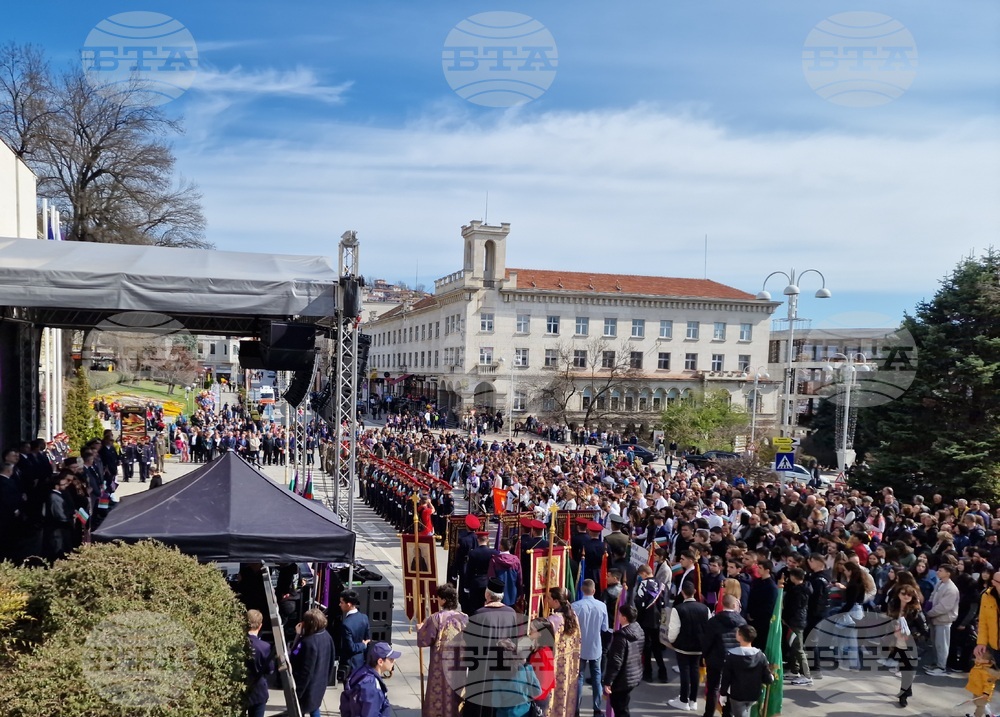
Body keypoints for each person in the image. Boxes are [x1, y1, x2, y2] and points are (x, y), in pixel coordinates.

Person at [417, 584, 468, 717]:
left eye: (438, 597)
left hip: (440, 663)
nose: (437, 600)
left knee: (439, 690)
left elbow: (425, 640)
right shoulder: (464, 618)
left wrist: (420, 629)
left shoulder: (436, 618)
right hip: (458, 662)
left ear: (444, 600)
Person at [666, 580, 711, 712]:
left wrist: (672, 641)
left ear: (682, 593)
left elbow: (674, 630)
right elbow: (708, 628)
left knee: (685, 671)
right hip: (699, 646)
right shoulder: (705, 608)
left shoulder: (678, 609)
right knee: (695, 671)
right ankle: (693, 700)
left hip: (683, 646)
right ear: (695, 592)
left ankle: (683, 700)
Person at [701, 593, 747, 717]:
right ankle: (727, 714)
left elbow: (707, 641)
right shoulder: (742, 622)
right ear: (734, 605)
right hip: (734, 661)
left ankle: (709, 713)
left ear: (722, 604)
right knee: (729, 689)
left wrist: (705, 656)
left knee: (713, 689)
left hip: (715, 660)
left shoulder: (713, 621)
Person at [573, 579, 612, 717]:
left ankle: (576, 709)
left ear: (582, 590)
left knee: (579, 678)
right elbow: (605, 627)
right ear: (594, 590)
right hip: (596, 647)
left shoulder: (575, 606)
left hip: (580, 647)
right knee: (596, 677)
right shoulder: (601, 606)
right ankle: (596, 708)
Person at [887, 584, 928, 708]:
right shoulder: (893, 606)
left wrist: (913, 634)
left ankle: (903, 695)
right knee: (903, 668)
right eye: (903, 593)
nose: (906, 596)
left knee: (907, 671)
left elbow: (925, 629)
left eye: (909, 595)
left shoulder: (915, 610)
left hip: (909, 644)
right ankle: (906, 690)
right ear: (898, 594)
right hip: (896, 643)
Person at [720, 625, 775, 717]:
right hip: (754, 694)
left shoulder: (731, 655)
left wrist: (723, 693)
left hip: (737, 694)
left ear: (740, 636)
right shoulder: (761, 655)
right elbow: (767, 677)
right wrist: (771, 677)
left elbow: (726, 677)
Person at [290, 608, 335, 717]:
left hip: (308, 688)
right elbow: (331, 660)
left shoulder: (308, 642)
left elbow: (298, 660)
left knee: (304, 710)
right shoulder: (327, 636)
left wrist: (298, 636)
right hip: (320, 683)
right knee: (314, 708)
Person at [544, 586, 582, 717]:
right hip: (569, 665)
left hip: (555, 666)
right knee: (565, 698)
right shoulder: (573, 616)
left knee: (554, 699)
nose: (546, 600)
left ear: (556, 602)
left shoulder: (553, 621)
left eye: (548, 598)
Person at [602, 604, 644, 717]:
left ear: (624, 618)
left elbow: (616, 662)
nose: (618, 616)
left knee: (620, 709)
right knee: (623, 706)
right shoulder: (638, 630)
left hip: (622, 679)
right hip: (633, 674)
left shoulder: (621, 637)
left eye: (620, 614)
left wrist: (608, 682)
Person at [340, 641, 401, 717]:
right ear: (380, 662)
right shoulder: (372, 686)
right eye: (391, 659)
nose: (394, 661)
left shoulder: (361, 671)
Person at [633, 563, 668, 683]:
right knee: (657, 647)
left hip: (645, 620)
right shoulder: (661, 585)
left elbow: (638, 602)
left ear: (643, 574)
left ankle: (648, 673)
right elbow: (664, 602)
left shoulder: (643, 584)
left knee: (647, 647)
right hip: (658, 620)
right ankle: (663, 672)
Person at [924, 563, 960, 676]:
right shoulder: (940, 583)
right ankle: (936, 663)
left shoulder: (951, 588)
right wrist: (927, 607)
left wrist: (930, 613)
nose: (937, 572)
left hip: (944, 620)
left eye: (940, 570)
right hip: (934, 619)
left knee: (942, 644)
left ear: (948, 573)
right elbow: (932, 596)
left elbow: (944, 607)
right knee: (935, 643)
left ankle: (941, 666)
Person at [245, 609, 274, 717]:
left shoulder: (237, 643)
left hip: (239, 690)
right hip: (258, 691)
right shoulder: (264, 646)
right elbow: (270, 669)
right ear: (260, 625)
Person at [339, 590, 372, 679]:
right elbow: (368, 639)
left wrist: (363, 645)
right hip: (361, 661)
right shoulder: (364, 617)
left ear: (348, 604)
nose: (340, 604)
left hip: (350, 664)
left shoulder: (346, 624)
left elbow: (351, 647)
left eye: (341, 602)